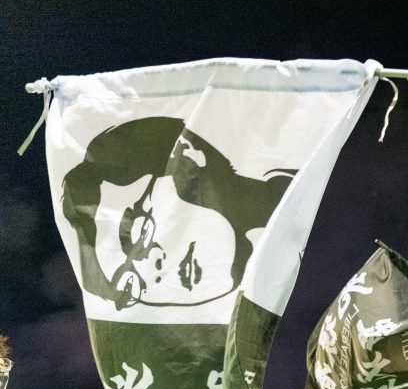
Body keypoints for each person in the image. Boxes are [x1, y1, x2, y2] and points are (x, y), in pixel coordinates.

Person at [60, 115, 294, 316]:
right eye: (130, 284)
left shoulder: (321, 195)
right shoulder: (280, 296)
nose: (152, 266)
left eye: (142, 230)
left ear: (189, 158)